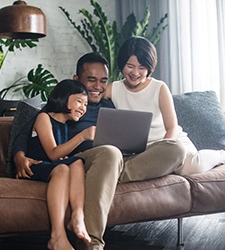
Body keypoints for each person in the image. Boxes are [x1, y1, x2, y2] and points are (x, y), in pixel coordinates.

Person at [12, 53, 123, 250]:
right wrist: (19, 156)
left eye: (103, 81)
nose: (98, 86)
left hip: (89, 162)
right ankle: (81, 239)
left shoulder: (108, 105)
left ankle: (78, 217)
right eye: (91, 80)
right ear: (76, 80)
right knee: (85, 160)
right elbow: (27, 132)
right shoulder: (53, 114)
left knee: (91, 159)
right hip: (62, 161)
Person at [105, 36, 225, 180]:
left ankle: (220, 154)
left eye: (142, 68)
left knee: (189, 168)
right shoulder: (113, 89)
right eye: (130, 66)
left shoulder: (159, 88)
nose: (135, 73)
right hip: (138, 151)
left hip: (168, 143)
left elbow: (172, 128)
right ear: (122, 63)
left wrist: (162, 151)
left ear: (149, 68)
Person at [25, 79, 92, 250]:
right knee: (62, 168)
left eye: (85, 104)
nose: (83, 108)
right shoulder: (43, 118)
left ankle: (77, 216)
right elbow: (53, 153)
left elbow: (60, 155)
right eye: (79, 101)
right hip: (36, 166)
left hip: (50, 166)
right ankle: (57, 236)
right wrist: (83, 136)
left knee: (77, 162)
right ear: (64, 97)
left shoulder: (64, 125)